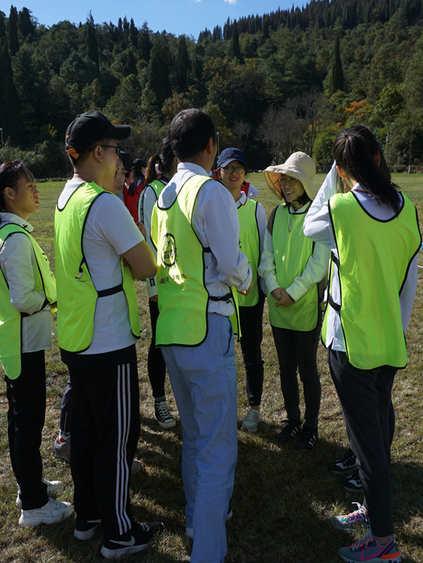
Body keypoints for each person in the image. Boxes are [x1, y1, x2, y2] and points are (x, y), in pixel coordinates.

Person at [304, 125, 420, 563]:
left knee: (366, 444)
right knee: (377, 428)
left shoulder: (341, 208)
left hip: (348, 345)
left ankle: (384, 542)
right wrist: (398, 329)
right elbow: (410, 280)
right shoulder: (407, 208)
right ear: (377, 157)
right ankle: (372, 511)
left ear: (341, 168)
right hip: (388, 342)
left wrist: (334, 181)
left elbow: (309, 228)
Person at [54, 110, 164, 558]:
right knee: (115, 440)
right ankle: (119, 532)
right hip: (108, 341)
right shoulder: (103, 203)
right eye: (116, 150)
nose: (121, 161)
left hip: (77, 338)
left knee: (85, 434)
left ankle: (89, 516)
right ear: (98, 152)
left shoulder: (66, 198)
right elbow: (146, 266)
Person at [152, 108, 251, 563]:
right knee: (217, 447)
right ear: (211, 144)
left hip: (172, 330)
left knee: (194, 437)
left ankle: (196, 520)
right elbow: (232, 265)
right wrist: (248, 278)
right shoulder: (210, 191)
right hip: (207, 330)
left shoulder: (163, 195)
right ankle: (208, 550)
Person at [0, 160, 71, 527]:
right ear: (8, 194)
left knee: (23, 420)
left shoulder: (13, 233)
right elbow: (22, 298)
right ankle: (33, 505)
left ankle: (31, 485)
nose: (36, 189)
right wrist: (50, 299)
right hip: (22, 344)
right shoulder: (14, 240)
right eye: (28, 184)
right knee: (26, 425)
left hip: (21, 342)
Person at [258, 151, 329, 450]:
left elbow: (318, 264)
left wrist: (293, 292)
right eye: (284, 179)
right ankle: (292, 419)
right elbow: (267, 257)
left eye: (293, 179)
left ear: (306, 183)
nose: (286, 185)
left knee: (307, 369)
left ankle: (311, 426)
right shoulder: (276, 214)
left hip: (305, 306)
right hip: (278, 307)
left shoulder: (319, 215)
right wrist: (274, 288)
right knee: (286, 368)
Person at [213, 147, 267, 432]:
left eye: (239, 168)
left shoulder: (256, 209)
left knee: (251, 353)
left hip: (250, 298)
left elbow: (263, 251)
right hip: (220, 299)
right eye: (227, 168)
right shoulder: (211, 205)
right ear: (218, 172)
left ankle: (254, 407)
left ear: (245, 174)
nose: (233, 173)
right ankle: (224, 408)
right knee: (221, 356)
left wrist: (259, 285)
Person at [138, 139, 179, 430]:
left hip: (180, 282)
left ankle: (180, 399)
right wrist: (153, 286)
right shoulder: (151, 191)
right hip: (161, 282)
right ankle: (159, 401)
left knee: (176, 339)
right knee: (159, 341)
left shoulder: (177, 187)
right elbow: (151, 241)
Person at [123, 157, 147, 223]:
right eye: (144, 168)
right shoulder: (144, 183)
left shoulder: (131, 185)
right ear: (140, 169)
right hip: (143, 218)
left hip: (133, 219)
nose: (145, 170)